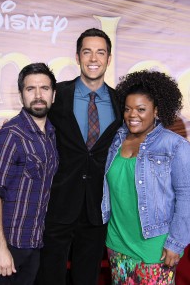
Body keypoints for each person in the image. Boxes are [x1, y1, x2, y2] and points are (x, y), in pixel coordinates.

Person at [36, 28, 122, 285]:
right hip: (57, 204)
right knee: (49, 277)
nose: (93, 58)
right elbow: (30, 122)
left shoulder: (121, 102)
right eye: (87, 51)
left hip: (97, 208)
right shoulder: (56, 95)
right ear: (77, 56)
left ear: (108, 58)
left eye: (100, 52)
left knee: (86, 278)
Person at [102, 69, 190, 284]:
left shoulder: (175, 145)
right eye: (128, 109)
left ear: (156, 111)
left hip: (155, 245)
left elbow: (186, 196)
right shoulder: (114, 141)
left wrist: (176, 243)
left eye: (141, 109)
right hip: (117, 242)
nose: (133, 115)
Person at [0, 63, 59, 285]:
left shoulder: (50, 134)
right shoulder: (11, 134)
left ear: (53, 95)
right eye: (30, 89)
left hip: (33, 243)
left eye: (44, 88)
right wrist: (0, 248)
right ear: (21, 95)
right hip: (7, 246)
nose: (38, 95)